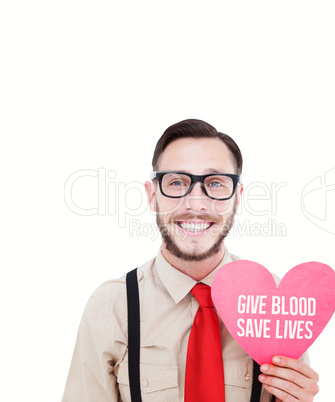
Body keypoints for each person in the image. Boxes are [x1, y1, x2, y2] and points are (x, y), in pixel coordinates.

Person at [62, 119, 319, 402]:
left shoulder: (278, 303)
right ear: (152, 195)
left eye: (216, 183)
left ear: (237, 198)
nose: (196, 204)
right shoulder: (111, 307)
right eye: (176, 182)